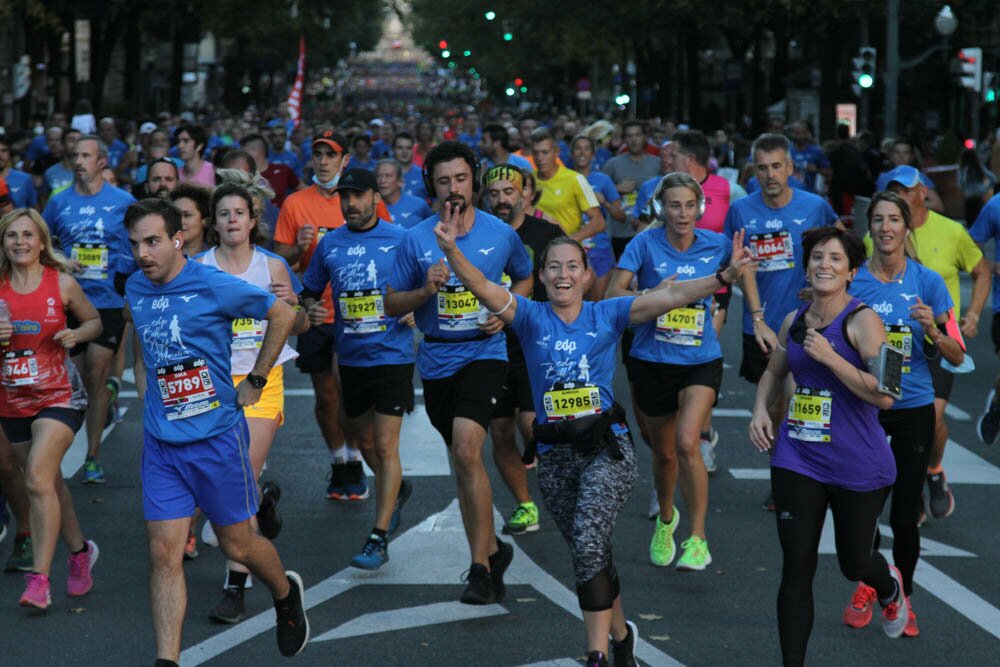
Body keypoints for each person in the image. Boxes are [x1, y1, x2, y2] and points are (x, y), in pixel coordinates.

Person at [435, 200, 752, 666]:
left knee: (587, 543)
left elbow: (666, 298)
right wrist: (451, 250)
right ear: (541, 277)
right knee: (590, 553)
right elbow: (481, 285)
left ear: (587, 276)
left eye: (573, 267)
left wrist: (723, 279)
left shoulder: (607, 314)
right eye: (553, 267)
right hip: (555, 455)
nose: (563, 274)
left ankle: (597, 654)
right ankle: (622, 638)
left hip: (607, 449)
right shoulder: (527, 316)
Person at [124, 198, 308, 665]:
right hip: (163, 445)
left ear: (177, 240)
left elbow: (284, 315)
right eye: (135, 244)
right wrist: (149, 394)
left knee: (237, 543)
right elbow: (146, 349)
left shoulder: (212, 284)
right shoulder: (135, 287)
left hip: (216, 440)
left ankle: (286, 594)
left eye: (152, 242)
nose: (142, 254)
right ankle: (167, 660)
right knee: (164, 553)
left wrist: (258, 379)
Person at [748, 226, 910, 665]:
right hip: (798, 455)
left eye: (836, 259)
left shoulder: (866, 321)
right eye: (818, 257)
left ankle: (889, 584)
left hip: (858, 461)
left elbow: (888, 392)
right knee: (796, 569)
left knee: (854, 563)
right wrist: (760, 409)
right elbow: (773, 372)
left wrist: (832, 359)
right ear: (807, 266)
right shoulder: (793, 321)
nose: (825, 265)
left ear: (851, 271)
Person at [385, 141, 533, 604]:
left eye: (462, 179)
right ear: (432, 186)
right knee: (461, 459)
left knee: (469, 451)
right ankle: (492, 550)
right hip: (436, 358)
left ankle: (479, 569)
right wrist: (423, 292)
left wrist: (505, 309)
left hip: (485, 353)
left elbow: (525, 278)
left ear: (474, 181)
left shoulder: (500, 233)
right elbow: (391, 303)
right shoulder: (414, 238)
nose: (454, 189)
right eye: (444, 181)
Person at [847, 191, 964, 637]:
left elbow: (956, 354)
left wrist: (932, 328)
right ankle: (870, 582)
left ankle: (904, 597)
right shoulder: (853, 282)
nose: (886, 228)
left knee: (903, 514)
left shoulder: (928, 282)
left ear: (906, 226)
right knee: (865, 507)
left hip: (914, 406)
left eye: (894, 219)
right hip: (867, 405)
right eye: (877, 220)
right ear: (870, 228)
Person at [196, 183, 309, 622]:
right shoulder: (198, 268)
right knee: (223, 479)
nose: (231, 221)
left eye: (239, 213)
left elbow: (298, 325)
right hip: (213, 383)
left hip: (263, 381)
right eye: (223, 213)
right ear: (214, 222)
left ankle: (235, 588)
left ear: (251, 220)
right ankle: (261, 502)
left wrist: (294, 306)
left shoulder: (273, 265)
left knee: (235, 476)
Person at [609, 173, 732, 570]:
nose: (682, 213)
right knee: (663, 454)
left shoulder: (718, 244)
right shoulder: (643, 242)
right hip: (651, 358)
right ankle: (666, 520)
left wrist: (759, 315)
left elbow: (738, 275)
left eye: (689, 205)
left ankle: (697, 538)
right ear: (662, 208)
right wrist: (651, 294)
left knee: (686, 442)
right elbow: (613, 295)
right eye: (674, 205)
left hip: (700, 359)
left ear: (700, 208)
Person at [300, 169, 415, 570]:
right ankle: (394, 487)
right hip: (349, 359)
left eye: (358, 195)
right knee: (363, 441)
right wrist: (309, 309)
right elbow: (309, 292)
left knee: (385, 445)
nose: (350, 203)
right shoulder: (329, 243)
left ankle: (378, 538)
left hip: (392, 357)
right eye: (344, 196)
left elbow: (425, 289)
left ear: (374, 197)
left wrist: (417, 309)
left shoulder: (401, 239)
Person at [723, 133, 838, 510]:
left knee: (797, 403)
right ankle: (783, 475)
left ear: (791, 168)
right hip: (763, 326)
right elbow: (740, 267)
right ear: (752, 171)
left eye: (777, 166)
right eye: (762, 168)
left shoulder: (816, 207)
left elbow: (841, 250)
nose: (770, 175)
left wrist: (823, 284)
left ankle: (797, 482)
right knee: (774, 409)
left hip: (810, 322)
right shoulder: (742, 211)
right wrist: (757, 317)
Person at [867, 165, 990, 520]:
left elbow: (981, 270)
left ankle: (931, 471)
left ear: (922, 193)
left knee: (932, 418)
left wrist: (972, 315)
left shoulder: (950, 231)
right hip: (885, 345)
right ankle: (909, 482)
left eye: (907, 190)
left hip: (933, 341)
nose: (901, 196)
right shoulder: (875, 237)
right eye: (894, 190)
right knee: (885, 421)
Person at [274, 131, 389, 500]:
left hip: (357, 316)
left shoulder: (365, 199)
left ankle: (356, 456)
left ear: (344, 161)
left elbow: (388, 248)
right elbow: (280, 260)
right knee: (325, 396)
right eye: (317, 153)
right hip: (316, 313)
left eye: (331, 154)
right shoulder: (295, 203)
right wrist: (299, 247)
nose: (323, 161)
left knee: (349, 393)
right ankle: (341, 460)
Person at [0, 208, 102, 609]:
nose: (20, 242)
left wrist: (75, 332)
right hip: (12, 399)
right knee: (48, 484)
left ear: (42, 242)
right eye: (12, 236)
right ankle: (80, 553)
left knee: (38, 477)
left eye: (28, 235)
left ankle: (38, 580)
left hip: (60, 396)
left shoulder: (60, 283)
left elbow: (94, 321)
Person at [42, 135, 136, 484]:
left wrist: (125, 277)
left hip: (108, 299)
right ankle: (75, 437)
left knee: (96, 373)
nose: (79, 161)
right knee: (74, 379)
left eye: (86, 155)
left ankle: (93, 455)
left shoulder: (123, 202)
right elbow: (44, 242)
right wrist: (62, 261)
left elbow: (136, 244)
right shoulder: (58, 202)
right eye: (75, 155)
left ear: (102, 163)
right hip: (68, 299)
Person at [483, 164, 565, 536]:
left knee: (532, 424)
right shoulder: (478, 233)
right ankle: (524, 504)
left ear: (525, 193)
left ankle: (561, 483)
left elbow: (575, 277)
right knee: (499, 431)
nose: (502, 199)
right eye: (495, 193)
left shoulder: (546, 234)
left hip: (537, 344)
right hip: (490, 345)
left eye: (509, 191)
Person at [672, 129, 748, 470]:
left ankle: (702, 436)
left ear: (690, 159)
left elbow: (745, 235)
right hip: (673, 289)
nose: (667, 160)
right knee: (675, 360)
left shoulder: (729, 190)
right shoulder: (666, 189)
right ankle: (683, 433)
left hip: (715, 289)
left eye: (673, 155)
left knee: (700, 353)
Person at [531, 129, 607, 298]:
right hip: (535, 253)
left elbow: (599, 222)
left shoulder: (574, 179)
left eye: (545, 152)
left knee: (565, 301)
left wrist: (567, 241)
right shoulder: (529, 180)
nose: (540, 158)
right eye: (536, 153)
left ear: (556, 152)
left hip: (565, 253)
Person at [571, 135, 623, 301]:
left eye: (586, 148)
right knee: (571, 303)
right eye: (578, 148)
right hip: (572, 249)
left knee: (597, 304)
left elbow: (621, 217)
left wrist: (605, 203)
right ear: (571, 153)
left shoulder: (603, 180)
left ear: (593, 154)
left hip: (599, 250)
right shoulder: (565, 179)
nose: (582, 152)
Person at [601, 122, 662, 257]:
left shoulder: (658, 164)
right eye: (629, 136)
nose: (634, 140)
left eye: (637, 135)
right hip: (619, 232)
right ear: (624, 139)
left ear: (645, 137)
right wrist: (616, 188)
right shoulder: (612, 164)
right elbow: (598, 193)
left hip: (650, 231)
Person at [375, 159, 432, 228]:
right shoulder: (371, 207)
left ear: (400, 181)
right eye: (378, 176)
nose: (382, 181)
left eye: (388, 176)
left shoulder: (419, 205)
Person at [788, 121, 832, 194]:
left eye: (803, 133)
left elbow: (829, 172)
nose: (800, 136)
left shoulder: (816, 151)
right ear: (792, 134)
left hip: (810, 194)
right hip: (791, 194)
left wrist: (816, 170)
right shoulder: (786, 151)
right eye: (797, 133)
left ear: (808, 133)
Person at [168, 184, 211, 256]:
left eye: (187, 215)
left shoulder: (216, 257)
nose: (180, 221)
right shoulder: (161, 256)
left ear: (205, 220)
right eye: (175, 215)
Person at [958, 147, 996, 226]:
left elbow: (960, 183)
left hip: (968, 198)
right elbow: (993, 178)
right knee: (979, 222)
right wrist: (984, 188)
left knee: (970, 222)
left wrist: (966, 190)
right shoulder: (979, 167)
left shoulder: (963, 169)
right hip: (979, 197)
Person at [0, 134, 38, 209]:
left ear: (9, 153)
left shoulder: (25, 179)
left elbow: (34, 210)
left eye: (4, 151)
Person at [392, 132, 428, 201]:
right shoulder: (384, 176)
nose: (404, 151)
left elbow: (437, 200)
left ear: (413, 150)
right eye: (400, 147)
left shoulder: (424, 174)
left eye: (408, 148)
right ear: (393, 149)